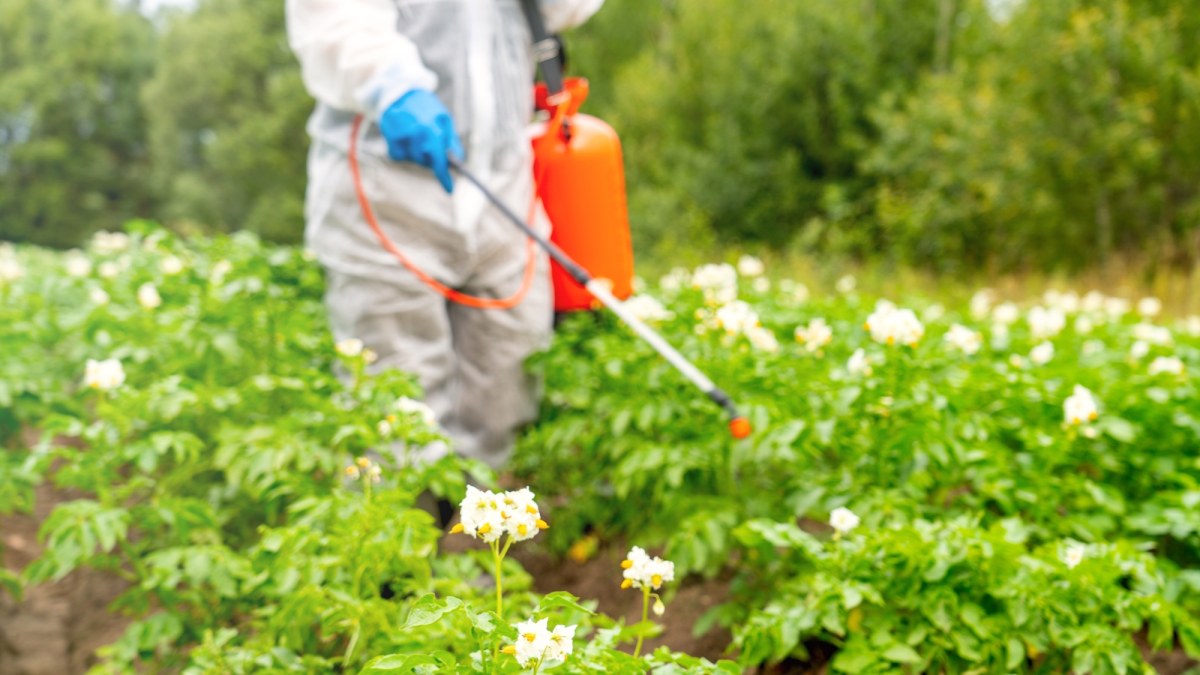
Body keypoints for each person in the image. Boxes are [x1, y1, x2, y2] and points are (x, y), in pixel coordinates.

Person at [286, 1, 604, 469]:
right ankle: (405, 533)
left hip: (503, 183)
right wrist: (389, 86)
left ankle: (482, 531)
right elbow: (335, 19)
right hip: (386, 186)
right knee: (395, 401)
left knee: (507, 384)